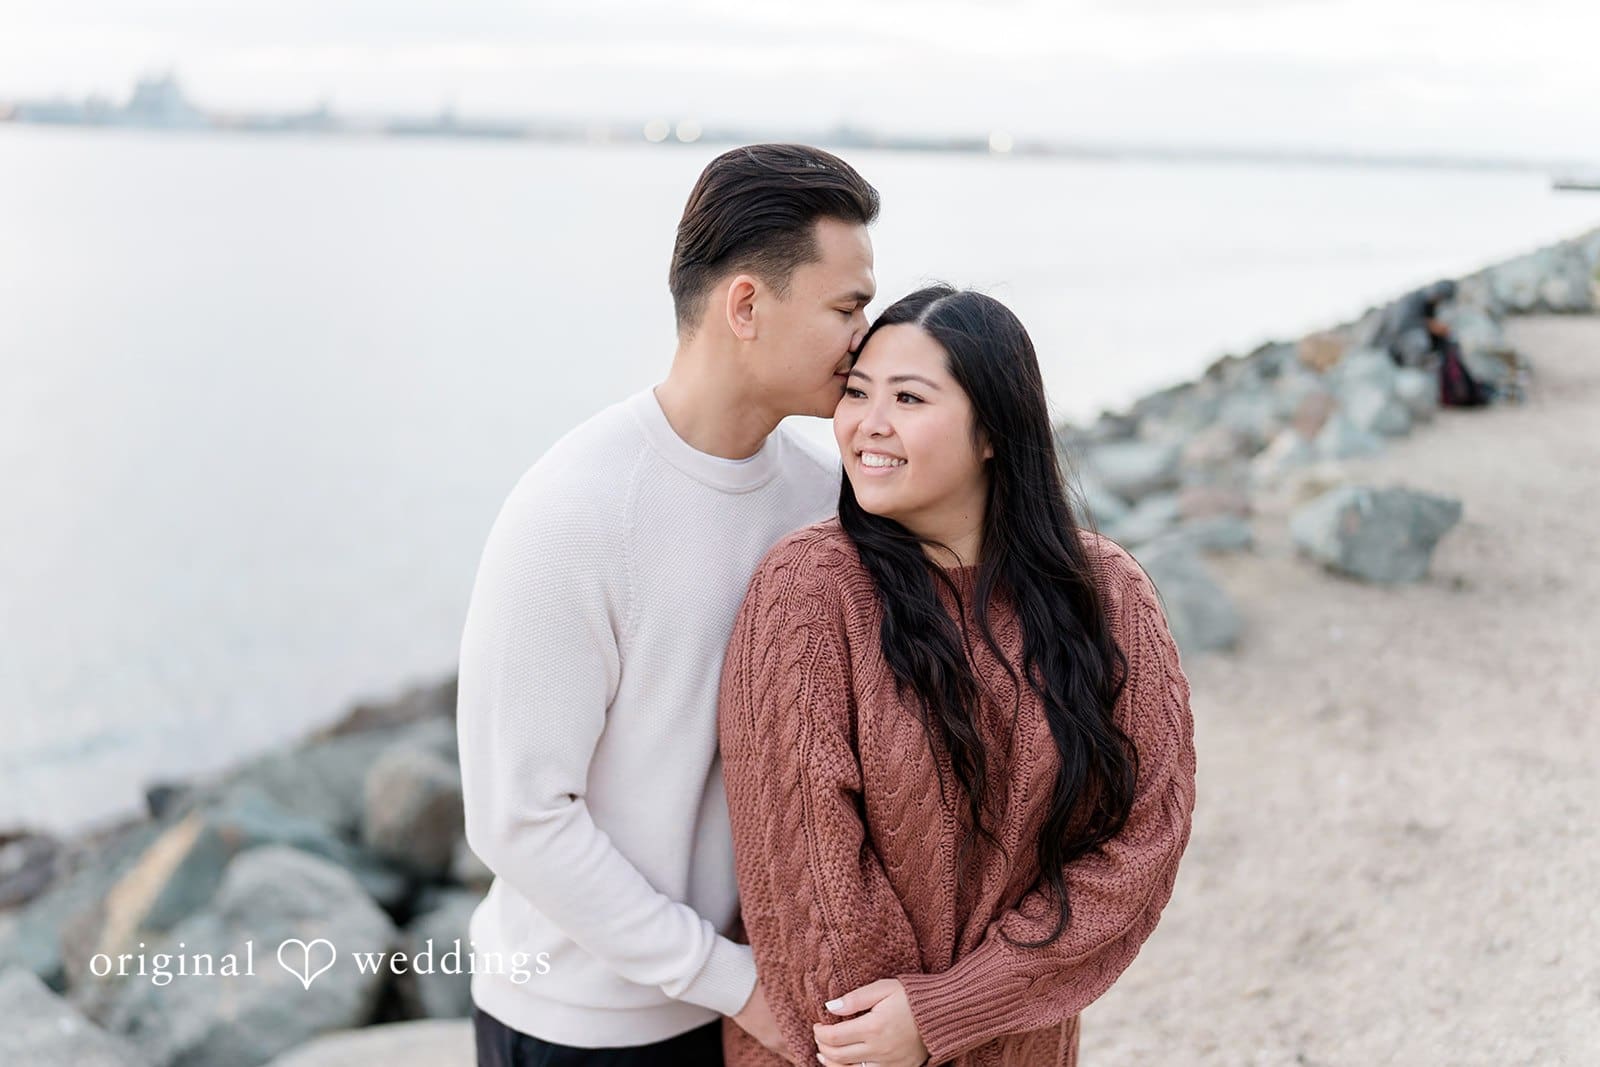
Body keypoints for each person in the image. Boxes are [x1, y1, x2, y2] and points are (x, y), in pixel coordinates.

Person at [455, 143, 879, 1066]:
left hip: (745, 1013)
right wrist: (736, 982)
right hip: (575, 1024)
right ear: (746, 305)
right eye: (848, 307)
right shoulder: (575, 508)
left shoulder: (820, 501)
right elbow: (518, 816)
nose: (866, 337)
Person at [717, 286, 1198, 1066]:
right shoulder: (808, 588)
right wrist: (893, 1028)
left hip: (1024, 1047)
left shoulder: (1107, 593)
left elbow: (1145, 836)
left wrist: (954, 1006)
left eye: (909, 397)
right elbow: (806, 881)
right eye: (856, 392)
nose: (868, 424)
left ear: (991, 431)